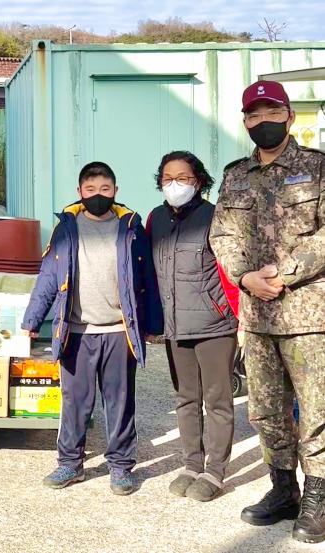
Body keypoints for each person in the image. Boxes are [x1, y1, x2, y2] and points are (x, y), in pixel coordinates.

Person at [210, 80, 325, 543]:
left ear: (289, 115)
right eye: (253, 116)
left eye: (271, 112)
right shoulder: (236, 175)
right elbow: (223, 235)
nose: (263, 122)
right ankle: (283, 490)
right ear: (245, 122)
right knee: (266, 411)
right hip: (257, 316)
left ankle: (318, 497)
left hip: (309, 315)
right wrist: (244, 278)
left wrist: (285, 271)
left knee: (317, 409)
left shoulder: (318, 169)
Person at [22, 161, 162, 495]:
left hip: (118, 330)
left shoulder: (130, 229)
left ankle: (121, 467)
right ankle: (70, 464)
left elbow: (148, 280)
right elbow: (48, 278)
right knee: (74, 402)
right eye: (90, 190)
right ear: (79, 192)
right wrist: (32, 320)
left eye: (104, 190)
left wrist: (152, 324)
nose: (97, 195)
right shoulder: (66, 229)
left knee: (120, 401)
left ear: (115, 191)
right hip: (76, 331)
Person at [148, 151, 238, 502]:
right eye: (168, 178)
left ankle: (215, 472)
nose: (175, 184)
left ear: (199, 181)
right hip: (176, 327)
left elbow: (231, 270)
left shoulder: (215, 217)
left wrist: (240, 319)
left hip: (214, 324)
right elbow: (149, 274)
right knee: (186, 398)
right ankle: (191, 464)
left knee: (217, 399)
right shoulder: (155, 219)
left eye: (183, 178)